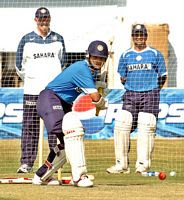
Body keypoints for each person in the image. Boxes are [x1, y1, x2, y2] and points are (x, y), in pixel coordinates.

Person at [32, 40, 109, 187]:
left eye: (101, 58)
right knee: (73, 130)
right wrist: (103, 102)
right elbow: (95, 98)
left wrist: (98, 89)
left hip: (64, 103)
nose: (98, 61)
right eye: (95, 57)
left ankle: (42, 176)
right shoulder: (82, 68)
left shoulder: (91, 73)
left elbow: (92, 92)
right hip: (50, 98)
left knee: (68, 143)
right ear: (88, 56)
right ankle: (79, 177)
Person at [106, 24, 167, 174]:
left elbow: (163, 75)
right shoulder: (126, 55)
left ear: (146, 36)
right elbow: (122, 77)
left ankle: (142, 165)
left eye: (142, 35)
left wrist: (153, 89)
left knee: (146, 126)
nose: (139, 37)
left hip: (150, 93)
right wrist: (133, 87)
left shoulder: (155, 53)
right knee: (122, 124)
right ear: (132, 37)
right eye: (136, 35)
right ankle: (121, 164)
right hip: (131, 94)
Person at [15, 7, 66, 173]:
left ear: (49, 19)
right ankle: (27, 163)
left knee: (55, 127)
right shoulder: (26, 39)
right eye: (41, 19)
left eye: (46, 19)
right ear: (36, 20)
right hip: (32, 89)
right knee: (30, 126)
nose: (44, 22)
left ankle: (55, 162)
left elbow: (63, 63)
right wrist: (32, 79)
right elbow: (18, 65)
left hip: (52, 92)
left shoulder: (59, 39)